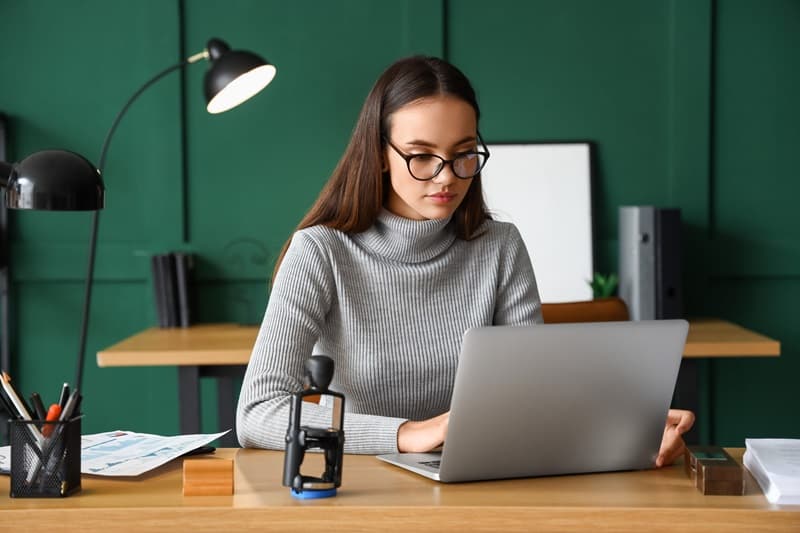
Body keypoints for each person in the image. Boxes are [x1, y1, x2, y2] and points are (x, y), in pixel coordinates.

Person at [236, 55, 694, 465]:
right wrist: (409, 434)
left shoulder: (499, 246)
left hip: (475, 480)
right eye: (421, 156)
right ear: (379, 155)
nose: (447, 177)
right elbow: (258, 414)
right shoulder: (321, 251)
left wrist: (630, 429)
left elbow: (532, 396)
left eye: (463, 155)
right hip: (361, 483)